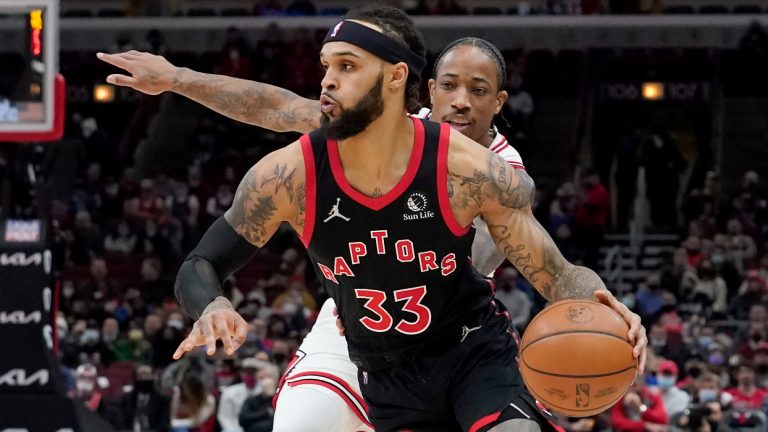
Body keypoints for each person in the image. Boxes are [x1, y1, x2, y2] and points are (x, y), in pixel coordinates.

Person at [103, 6, 647, 431]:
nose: (459, 101)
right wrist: (176, 78)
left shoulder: (494, 172)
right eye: (448, 86)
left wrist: (600, 308)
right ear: (424, 89)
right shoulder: (362, 128)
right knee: (300, 424)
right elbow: (272, 106)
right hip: (354, 326)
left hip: (450, 328)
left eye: (477, 91)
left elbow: (537, 268)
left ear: (498, 102)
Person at [217, 358, 264, 432]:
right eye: (247, 372)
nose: (250, 375)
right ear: (242, 374)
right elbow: (224, 417)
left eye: (252, 372)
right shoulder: (230, 392)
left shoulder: (263, 391)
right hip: (234, 428)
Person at [120, 363, 171, 432]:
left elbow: (163, 424)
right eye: (140, 375)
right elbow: (122, 422)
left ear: (153, 377)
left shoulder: (162, 399)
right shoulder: (127, 398)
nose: (143, 378)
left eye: (147, 375)